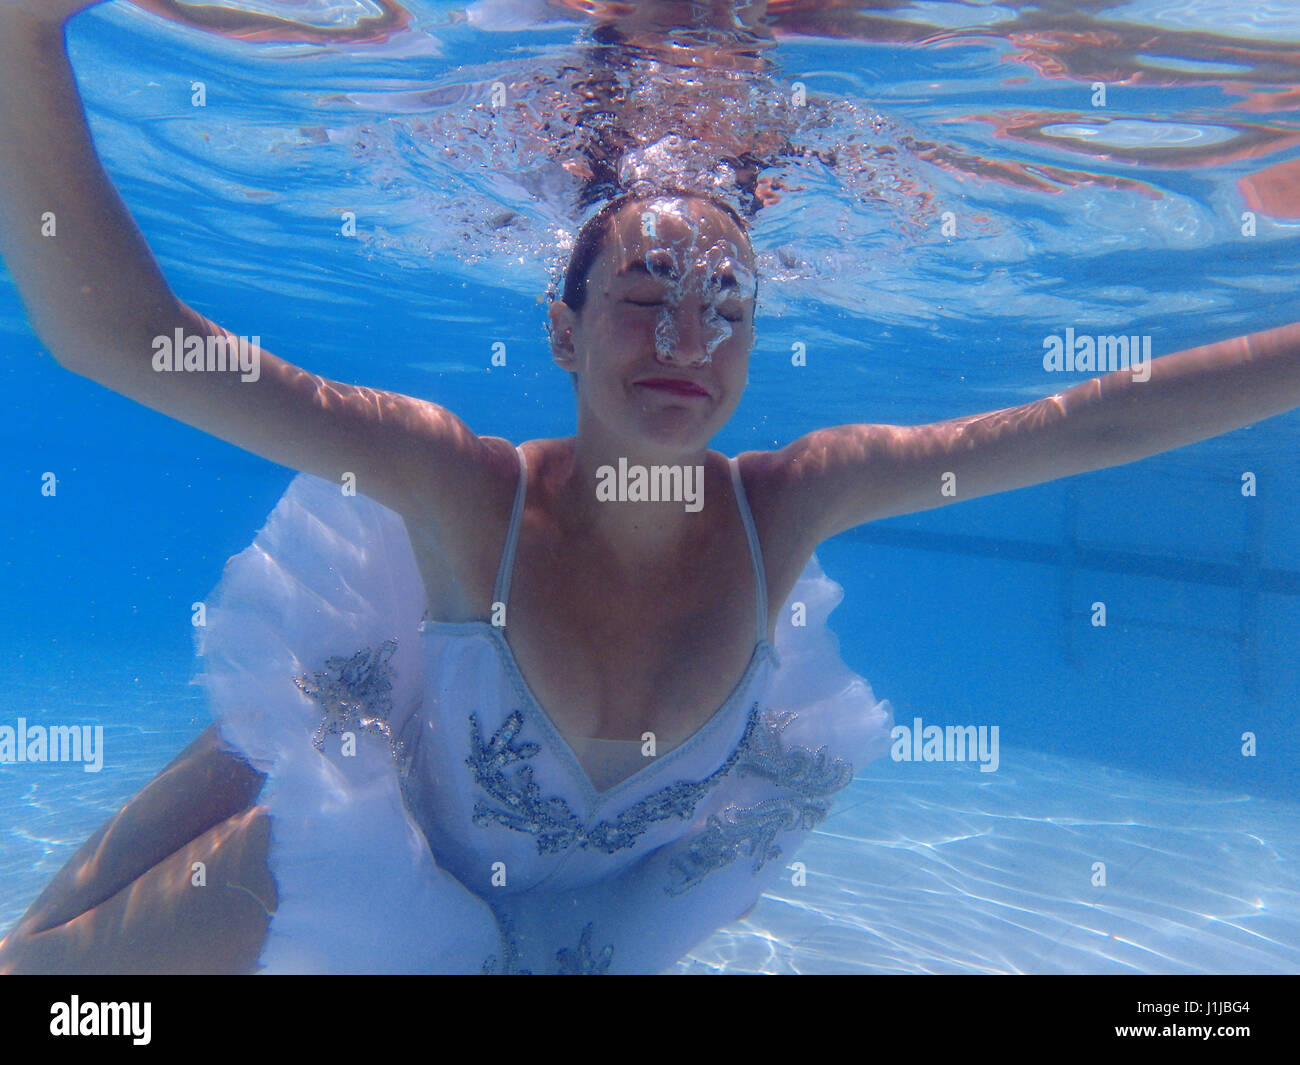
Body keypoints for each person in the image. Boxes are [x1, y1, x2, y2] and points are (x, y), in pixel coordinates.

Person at [1, 0, 1297, 974]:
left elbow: (1090, 424)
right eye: (643, 295)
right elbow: (122, 335)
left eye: (725, 304)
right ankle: (259, 756)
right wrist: (24, 36)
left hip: (566, 913)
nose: (688, 340)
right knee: (49, 981)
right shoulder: (457, 485)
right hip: (382, 858)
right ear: (560, 330)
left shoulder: (793, 502)